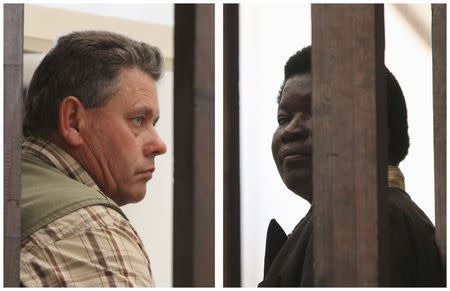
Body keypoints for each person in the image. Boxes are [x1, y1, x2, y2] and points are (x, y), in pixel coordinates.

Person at [259, 46, 445, 287]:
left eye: (316, 110)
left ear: (372, 123)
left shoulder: (361, 219)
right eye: (283, 119)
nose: (290, 130)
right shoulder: (376, 211)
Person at [20, 31, 167, 287]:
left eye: (153, 123)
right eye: (138, 120)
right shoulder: (92, 229)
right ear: (73, 120)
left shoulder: (15, 185)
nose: (159, 145)